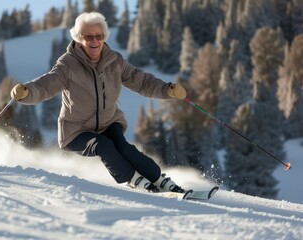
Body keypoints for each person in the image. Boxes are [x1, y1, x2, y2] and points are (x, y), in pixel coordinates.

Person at [10, 12, 187, 193]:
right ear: (79, 39)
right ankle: (137, 181)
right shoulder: (68, 64)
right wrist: (27, 92)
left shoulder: (114, 61)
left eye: (99, 36)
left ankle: (162, 182)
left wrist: (167, 89)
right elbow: (46, 84)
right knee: (104, 145)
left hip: (108, 123)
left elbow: (140, 80)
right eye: (88, 37)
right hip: (76, 132)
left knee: (124, 148)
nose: (94, 41)